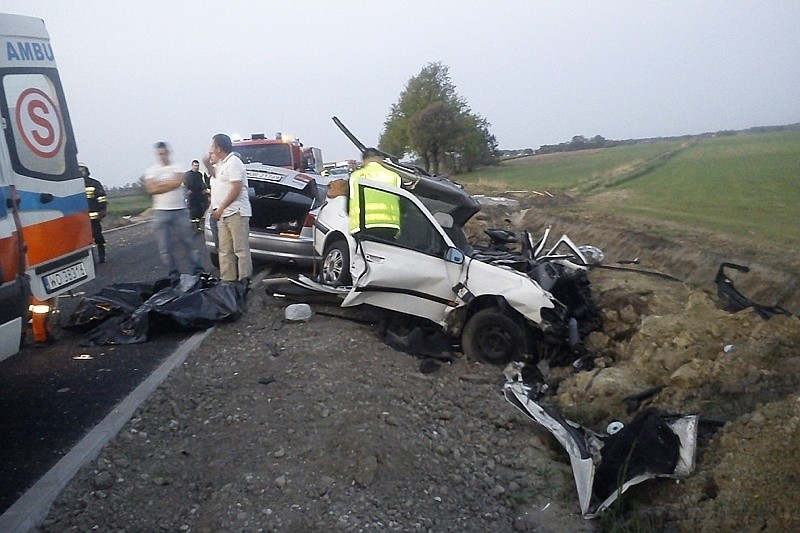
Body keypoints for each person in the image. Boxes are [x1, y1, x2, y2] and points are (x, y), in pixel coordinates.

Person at [144, 142, 205, 279]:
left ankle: (198, 271)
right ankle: (173, 275)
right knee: (165, 248)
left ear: (168, 152)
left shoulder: (177, 167)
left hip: (180, 211)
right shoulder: (151, 171)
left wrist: (160, 185)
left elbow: (177, 181)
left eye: (164, 153)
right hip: (161, 212)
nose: (162, 156)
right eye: (159, 154)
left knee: (189, 243)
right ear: (156, 154)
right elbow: (151, 189)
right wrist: (169, 183)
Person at [203, 133, 252, 282]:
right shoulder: (220, 164)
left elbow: (235, 189)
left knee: (240, 249)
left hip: (236, 212)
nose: (210, 149)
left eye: (212, 146)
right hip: (222, 214)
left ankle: (244, 280)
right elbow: (215, 179)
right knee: (224, 250)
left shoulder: (233, 162)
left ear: (219, 148)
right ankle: (228, 280)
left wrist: (222, 207)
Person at [347, 148, 402, 238]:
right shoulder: (394, 176)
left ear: (364, 160)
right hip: (390, 226)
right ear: (380, 159)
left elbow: (348, 204)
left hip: (362, 226)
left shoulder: (355, 176)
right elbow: (402, 204)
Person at [80, 163, 108, 263]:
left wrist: (102, 210)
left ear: (87, 171)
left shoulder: (94, 183)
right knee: (83, 240)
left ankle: (102, 257)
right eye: (78, 170)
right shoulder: (72, 185)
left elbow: (101, 198)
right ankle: (88, 260)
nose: (80, 172)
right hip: (80, 219)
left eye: (82, 170)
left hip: (94, 218)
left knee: (98, 237)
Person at [184, 159, 210, 230]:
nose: (196, 167)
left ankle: (198, 227)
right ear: (192, 166)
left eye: (197, 166)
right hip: (192, 197)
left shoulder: (199, 174)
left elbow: (201, 183)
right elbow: (187, 185)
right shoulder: (188, 174)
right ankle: (192, 228)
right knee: (193, 213)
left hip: (199, 197)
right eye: (195, 166)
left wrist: (204, 189)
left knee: (199, 212)